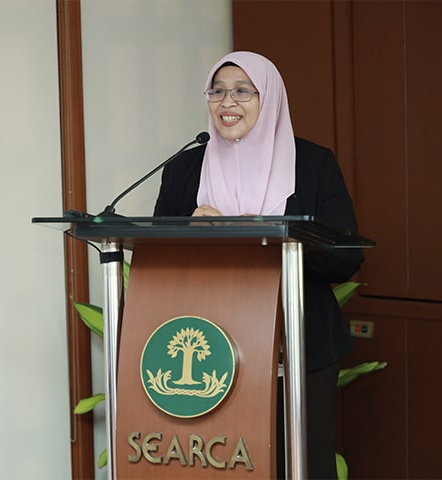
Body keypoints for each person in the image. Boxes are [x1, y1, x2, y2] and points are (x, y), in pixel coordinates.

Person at [153, 51, 363, 479]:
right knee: (221, 463)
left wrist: (269, 240)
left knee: (300, 463)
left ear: (269, 98)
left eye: (242, 91)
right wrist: (189, 232)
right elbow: (157, 255)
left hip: (300, 345)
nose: (227, 102)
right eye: (218, 91)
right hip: (209, 347)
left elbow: (346, 256)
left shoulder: (314, 165)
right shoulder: (184, 168)